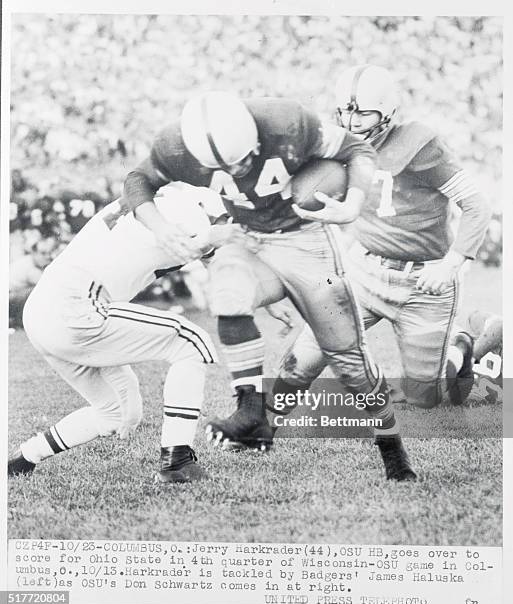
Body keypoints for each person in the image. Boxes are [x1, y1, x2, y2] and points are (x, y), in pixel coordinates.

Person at [121, 90, 416, 481]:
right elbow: (137, 179)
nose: (239, 169)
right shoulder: (177, 146)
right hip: (248, 237)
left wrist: (353, 202)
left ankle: (392, 449)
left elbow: (357, 149)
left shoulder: (288, 123)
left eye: (244, 157)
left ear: (256, 136)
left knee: (349, 362)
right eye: (227, 166)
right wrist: (160, 228)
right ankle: (251, 412)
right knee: (226, 290)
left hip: (305, 239)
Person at [269, 65, 491, 417]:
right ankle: (261, 422)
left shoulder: (420, 145)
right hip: (362, 270)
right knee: (309, 351)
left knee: (426, 398)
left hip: (423, 283)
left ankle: (465, 346)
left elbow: (477, 205)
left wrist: (452, 263)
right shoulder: (337, 143)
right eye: (345, 110)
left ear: (387, 111)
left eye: (363, 112)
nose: (352, 120)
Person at [8, 189, 239, 483]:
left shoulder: (155, 200)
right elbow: (210, 240)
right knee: (191, 342)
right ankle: (177, 460)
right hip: (76, 308)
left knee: (119, 413)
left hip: (42, 311)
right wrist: (251, 228)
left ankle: (24, 458)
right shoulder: (189, 211)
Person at [9, 235, 58, 328]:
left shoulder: (30, 261)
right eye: (43, 253)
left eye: (49, 253)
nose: (48, 256)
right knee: (38, 290)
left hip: (12, 299)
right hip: (7, 300)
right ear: (34, 253)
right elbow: (50, 286)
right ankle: (21, 322)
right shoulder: (30, 266)